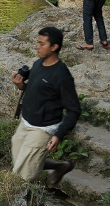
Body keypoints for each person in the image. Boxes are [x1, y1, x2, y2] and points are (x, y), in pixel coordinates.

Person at [11, 26, 80, 185]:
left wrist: (58, 134)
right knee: (20, 159)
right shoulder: (38, 64)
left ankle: (25, 198)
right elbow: (36, 91)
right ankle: (61, 166)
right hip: (26, 123)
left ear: (54, 47)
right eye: (38, 42)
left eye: (42, 44)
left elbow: (74, 110)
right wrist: (21, 87)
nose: (37, 46)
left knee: (21, 176)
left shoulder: (62, 75)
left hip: (43, 128)